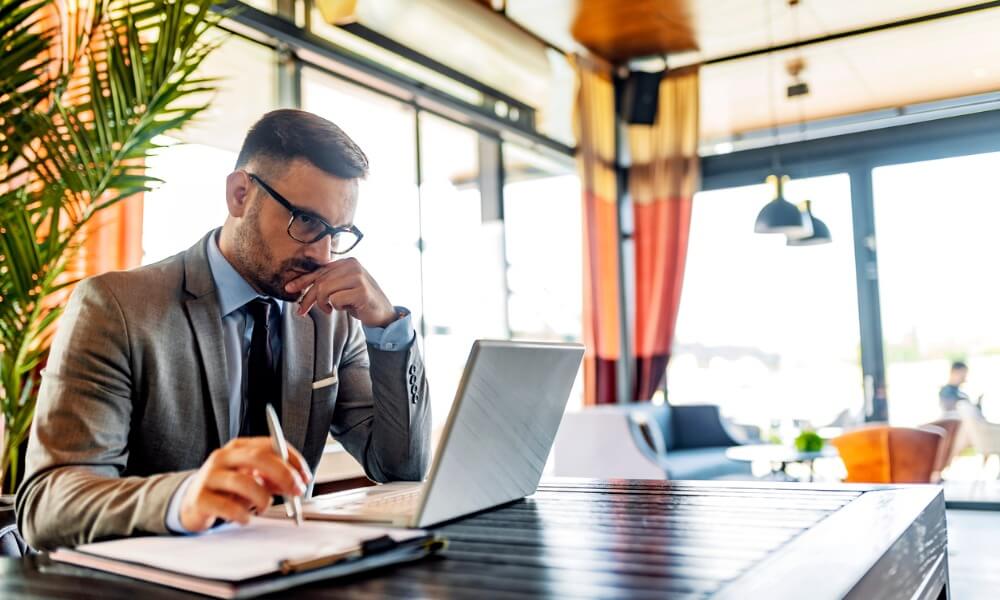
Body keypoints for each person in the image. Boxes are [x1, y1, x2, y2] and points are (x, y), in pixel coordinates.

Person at [16, 109, 431, 550]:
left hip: (290, 572)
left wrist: (387, 327)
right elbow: (47, 507)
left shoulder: (333, 318)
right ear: (239, 194)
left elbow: (401, 467)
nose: (323, 254)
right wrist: (182, 499)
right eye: (307, 222)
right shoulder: (116, 308)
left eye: (337, 232)